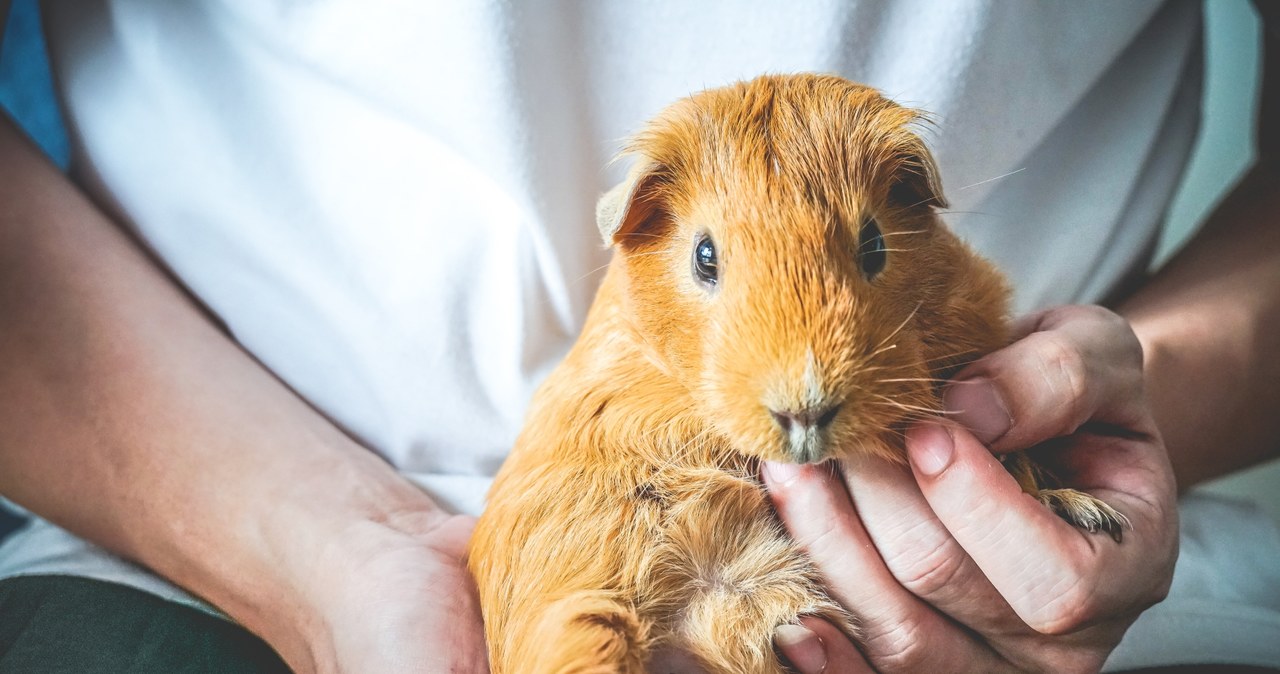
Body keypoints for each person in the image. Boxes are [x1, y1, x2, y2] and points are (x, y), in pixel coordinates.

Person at [0, 1, 1277, 672]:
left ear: (913, 213)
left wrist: (1093, 429)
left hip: (1053, 621)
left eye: (870, 250)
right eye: (708, 262)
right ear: (645, 231)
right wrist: (323, 557)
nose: (801, 379)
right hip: (190, 521)